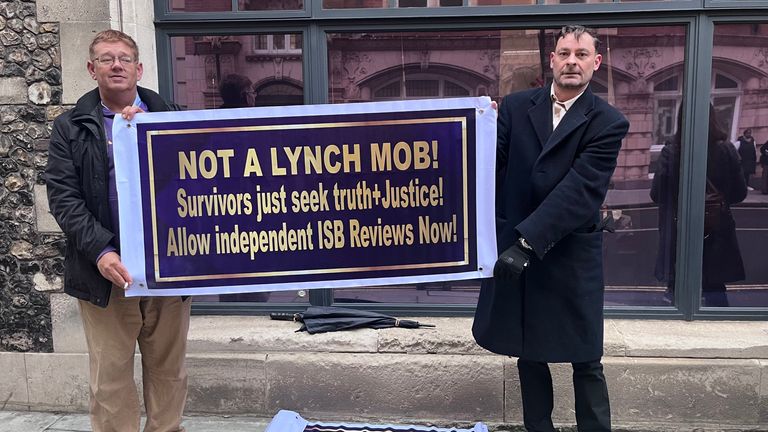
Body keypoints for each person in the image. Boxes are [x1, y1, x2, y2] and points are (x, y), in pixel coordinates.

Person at [473, 25, 629, 432]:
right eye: (564, 53)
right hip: (518, 252)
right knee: (529, 352)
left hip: (569, 254)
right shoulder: (515, 107)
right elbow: (491, 165)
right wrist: (479, 127)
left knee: (586, 357)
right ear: (552, 60)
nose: (571, 61)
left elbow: (581, 190)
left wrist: (526, 242)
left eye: (581, 54)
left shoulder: (608, 121)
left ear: (595, 63)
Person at [45, 30, 191, 432]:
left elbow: (197, 187)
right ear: (92, 69)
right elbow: (63, 199)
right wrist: (101, 252)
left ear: (139, 68)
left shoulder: (174, 118)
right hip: (105, 275)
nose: (116, 65)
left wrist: (155, 137)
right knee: (110, 382)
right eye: (106, 59)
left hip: (167, 270)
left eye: (125, 58)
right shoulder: (69, 127)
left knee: (169, 374)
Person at [650, 105, 747, 307]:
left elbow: (657, 194)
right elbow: (739, 193)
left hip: (679, 230)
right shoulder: (726, 149)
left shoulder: (671, 151)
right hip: (716, 230)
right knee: (715, 293)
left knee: (677, 295)